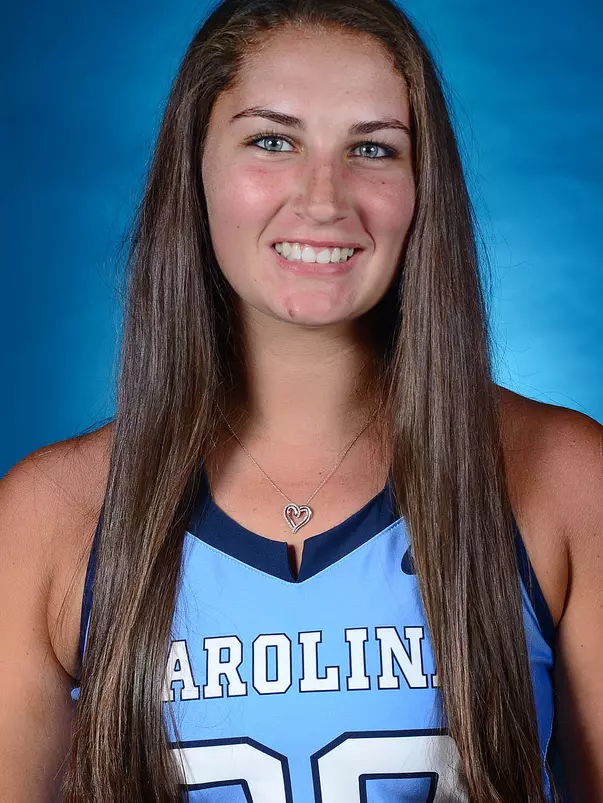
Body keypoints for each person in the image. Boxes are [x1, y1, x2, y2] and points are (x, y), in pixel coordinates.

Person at [0, 0, 601, 800]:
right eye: (272, 141)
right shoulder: (49, 516)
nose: (324, 198)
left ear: (423, 187)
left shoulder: (564, 477)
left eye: (373, 148)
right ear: (195, 166)